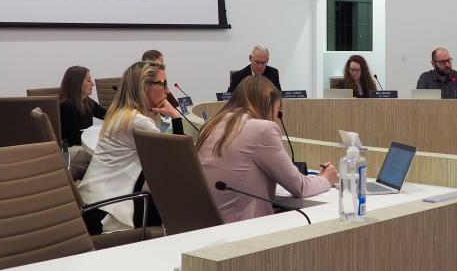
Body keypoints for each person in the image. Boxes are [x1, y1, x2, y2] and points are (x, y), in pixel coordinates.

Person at [197, 75, 337, 223]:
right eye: (277, 112)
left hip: (210, 226)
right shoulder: (262, 129)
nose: (276, 119)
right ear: (268, 104)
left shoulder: (211, 125)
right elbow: (300, 187)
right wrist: (327, 178)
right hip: (246, 229)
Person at [77, 61, 184, 233]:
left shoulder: (120, 114)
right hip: (109, 210)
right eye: (162, 84)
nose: (167, 91)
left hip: (93, 202)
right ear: (144, 86)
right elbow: (176, 160)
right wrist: (176, 117)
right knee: (180, 208)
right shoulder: (137, 121)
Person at [58, 65, 107, 179]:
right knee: (107, 154)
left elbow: (107, 115)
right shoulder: (67, 106)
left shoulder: (87, 102)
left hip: (81, 146)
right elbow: (76, 138)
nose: (93, 84)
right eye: (89, 80)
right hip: (68, 150)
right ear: (77, 83)